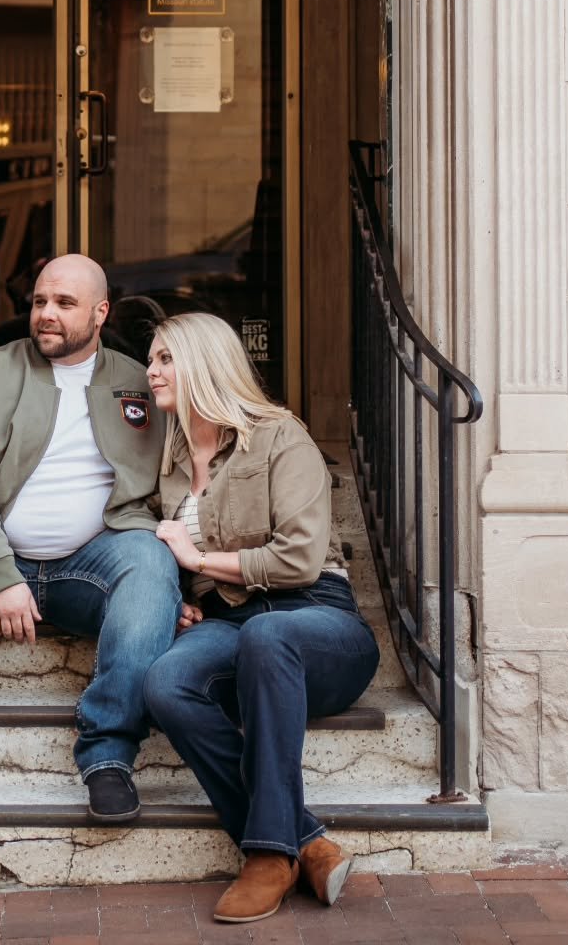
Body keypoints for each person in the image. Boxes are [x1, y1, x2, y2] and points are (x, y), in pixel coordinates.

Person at [0, 253, 181, 823]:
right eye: (40, 301)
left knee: (149, 561)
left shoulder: (141, 381)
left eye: (64, 304)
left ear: (100, 312)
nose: (46, 314)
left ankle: (109, 757)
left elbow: (186, 482)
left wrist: (182, 590)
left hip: (93, 568)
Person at [142, 312, 380, 923]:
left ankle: (268, 857)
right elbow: (168, 556)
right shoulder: (167, 462)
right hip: (233, 622)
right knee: (167, 683)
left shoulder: (279, 436)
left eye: (166, 358)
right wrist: (180, 596)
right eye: (152, 359)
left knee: (271, 633)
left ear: (205, 363)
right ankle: (305, 840)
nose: (152, 371)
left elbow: (299, 558)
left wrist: (199, 557)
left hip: (317, 619)